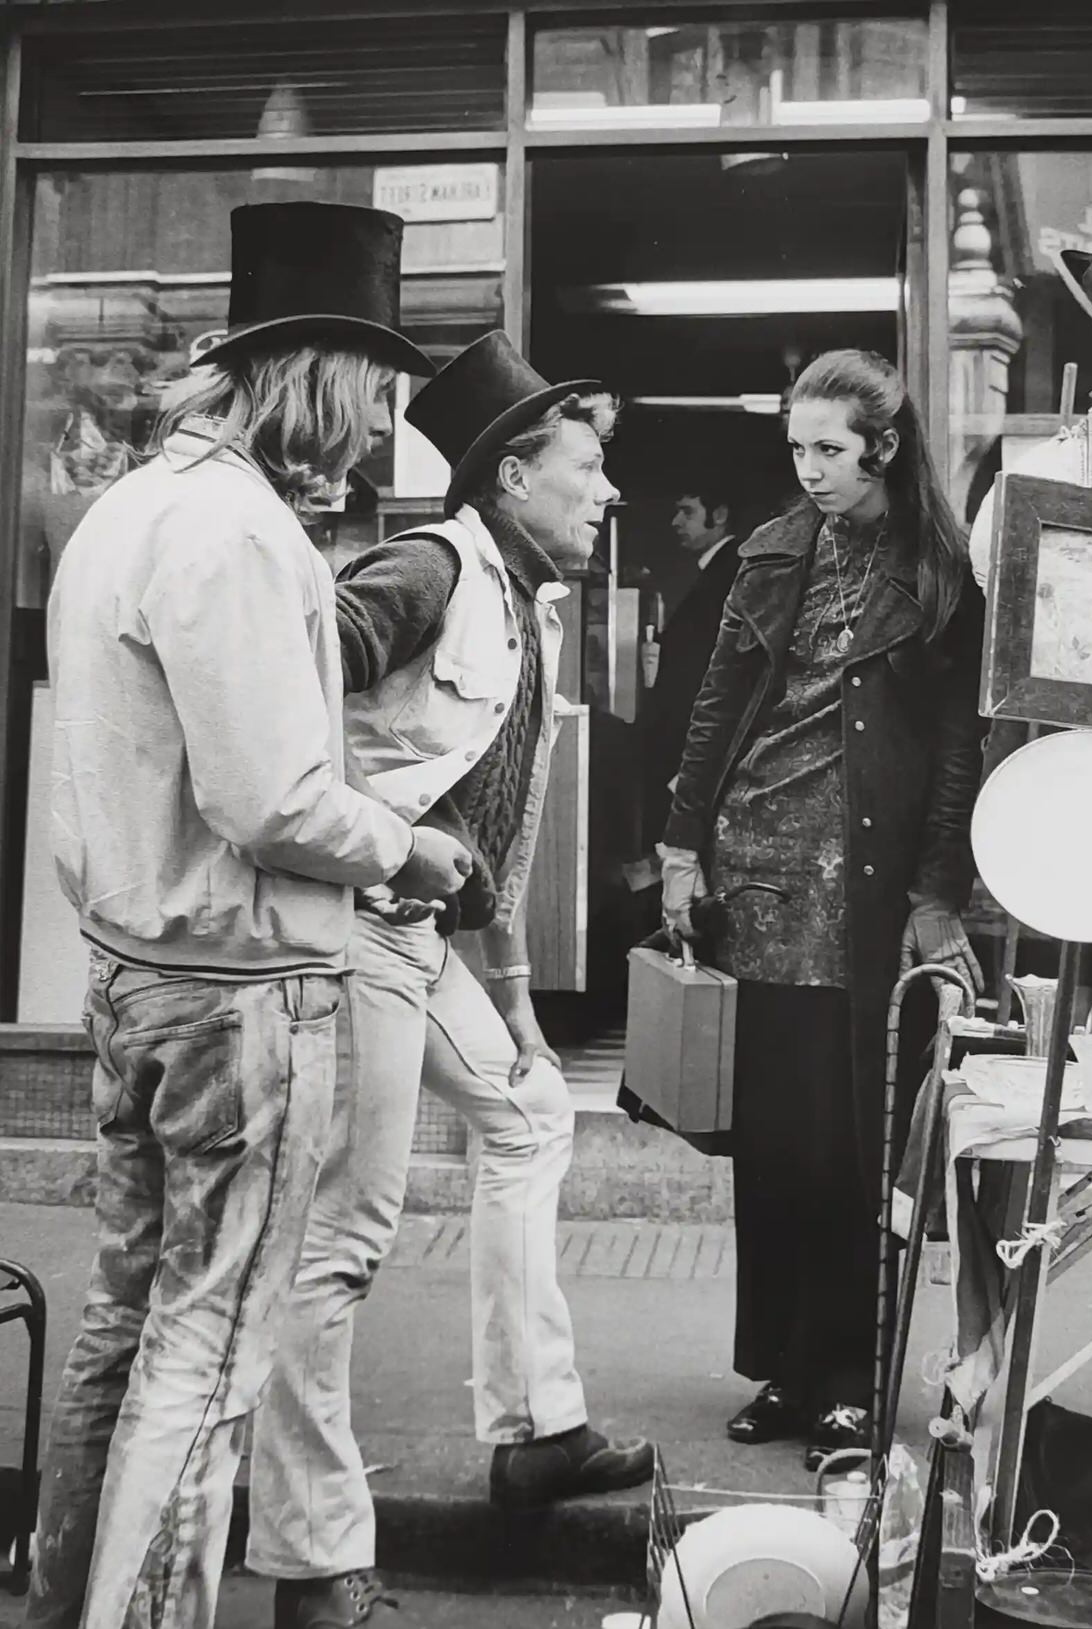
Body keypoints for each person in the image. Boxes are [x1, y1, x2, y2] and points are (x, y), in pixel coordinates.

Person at [27, 202, 471, 1629]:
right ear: (329, 379)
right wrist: (411, 847)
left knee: (126, 1319)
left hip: (130, 966)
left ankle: (59, 1601)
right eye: (381, 394)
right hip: (233, 989)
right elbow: (274, 798)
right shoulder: (235, 532)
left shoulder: (126, 515)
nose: (381, 428)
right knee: (208, 1352)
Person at [247, 331, 654, 1626]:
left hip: (419, 936)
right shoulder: (427, 568)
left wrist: (523, 1005)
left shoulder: (524, 607)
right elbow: (283, 688)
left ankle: (536, 1431)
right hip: (345, 926)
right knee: (343, 1237)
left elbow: (488, 836)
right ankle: (313, 1564)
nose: (608, 493)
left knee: (532, 1112)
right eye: (586, 468)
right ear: (514, 475)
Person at [659, 348, 987, 1469]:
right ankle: (788, 1372)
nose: (807, 469)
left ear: (882, 448)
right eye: (795, 448)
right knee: (775, 1146)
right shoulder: (769, 552)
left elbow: (957, 748)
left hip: (867, 888)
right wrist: (677, 844)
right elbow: (716, 704)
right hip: (757, 875)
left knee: (855, 1145)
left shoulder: (938, 572)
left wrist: (941, 891)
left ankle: (850, 1377)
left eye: (830, 451)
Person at [642, 483, 744, 849]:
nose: (675, 522)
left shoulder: (728, 573)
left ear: (718, 516)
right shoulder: (714, 571)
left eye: (687, 511)